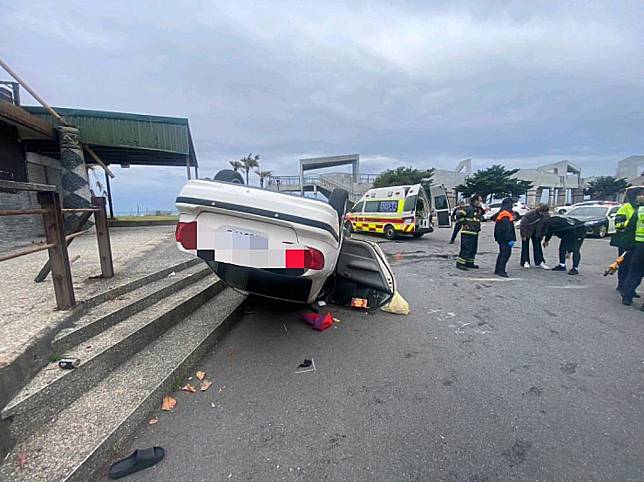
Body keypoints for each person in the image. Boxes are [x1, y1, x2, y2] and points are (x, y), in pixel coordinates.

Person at [611, 187, 644, 296]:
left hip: (639, 243)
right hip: (626, 241)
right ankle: (621, 285)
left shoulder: (641, 208)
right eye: (639, 194)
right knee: (624, 264)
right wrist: (630, 223)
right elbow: (618, 224)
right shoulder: (626, 207)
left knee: (634, 267)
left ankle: (630, 289)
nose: (641, 196)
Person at [621, 191, 644, 309]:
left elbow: (629, 228)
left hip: (639, 247)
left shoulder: (639, 212)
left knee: (634, 272)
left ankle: (627, 297)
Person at [455, 195, 484, 270]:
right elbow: (458, 215)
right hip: (467, 232)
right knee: (466, 248)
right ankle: (460, 263)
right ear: (475, 201)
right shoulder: (468, 208)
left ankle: (470, 263)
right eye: (479, 201)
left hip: (475, 232)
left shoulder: (478, 209)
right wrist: (465, 223)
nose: (480, 202)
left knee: (473, 249)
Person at [519, 204, 550, 269]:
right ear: (539, 210)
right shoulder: (529, 214)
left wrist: (542, 235)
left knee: (538, 247)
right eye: (542, 212)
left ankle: (540, 262)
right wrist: (523, 235)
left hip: (537, 233)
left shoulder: (546, 216)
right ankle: (525, 261)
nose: (543, 214)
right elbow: (523, 225)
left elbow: (546, 227)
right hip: (527, 231)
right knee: (525, 246)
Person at [494, 198, 517, 277]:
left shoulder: (502, 212)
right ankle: (501, 270)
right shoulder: (505, 214)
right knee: (505, 254)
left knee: (502, 253)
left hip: (501, 237)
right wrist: (510, 239)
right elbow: (507, 229)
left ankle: (498, 269)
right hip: (505, 238)